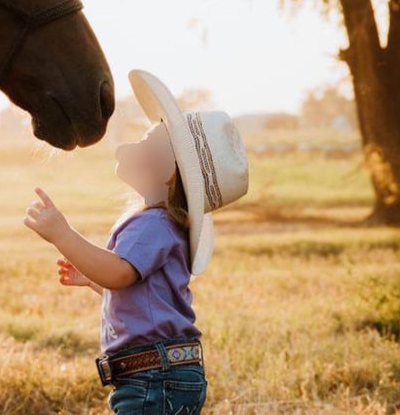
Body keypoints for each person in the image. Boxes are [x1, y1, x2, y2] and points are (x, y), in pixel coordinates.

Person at [23, 69, 250, 414]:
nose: (131, 146)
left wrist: (62, 234)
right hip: (168, 373)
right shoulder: (167, 226)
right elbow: (144, 297)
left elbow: (118, 274)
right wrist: (93, 280)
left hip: (152, 378)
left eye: (146, 142)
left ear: (167, 171)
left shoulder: (152, 225)